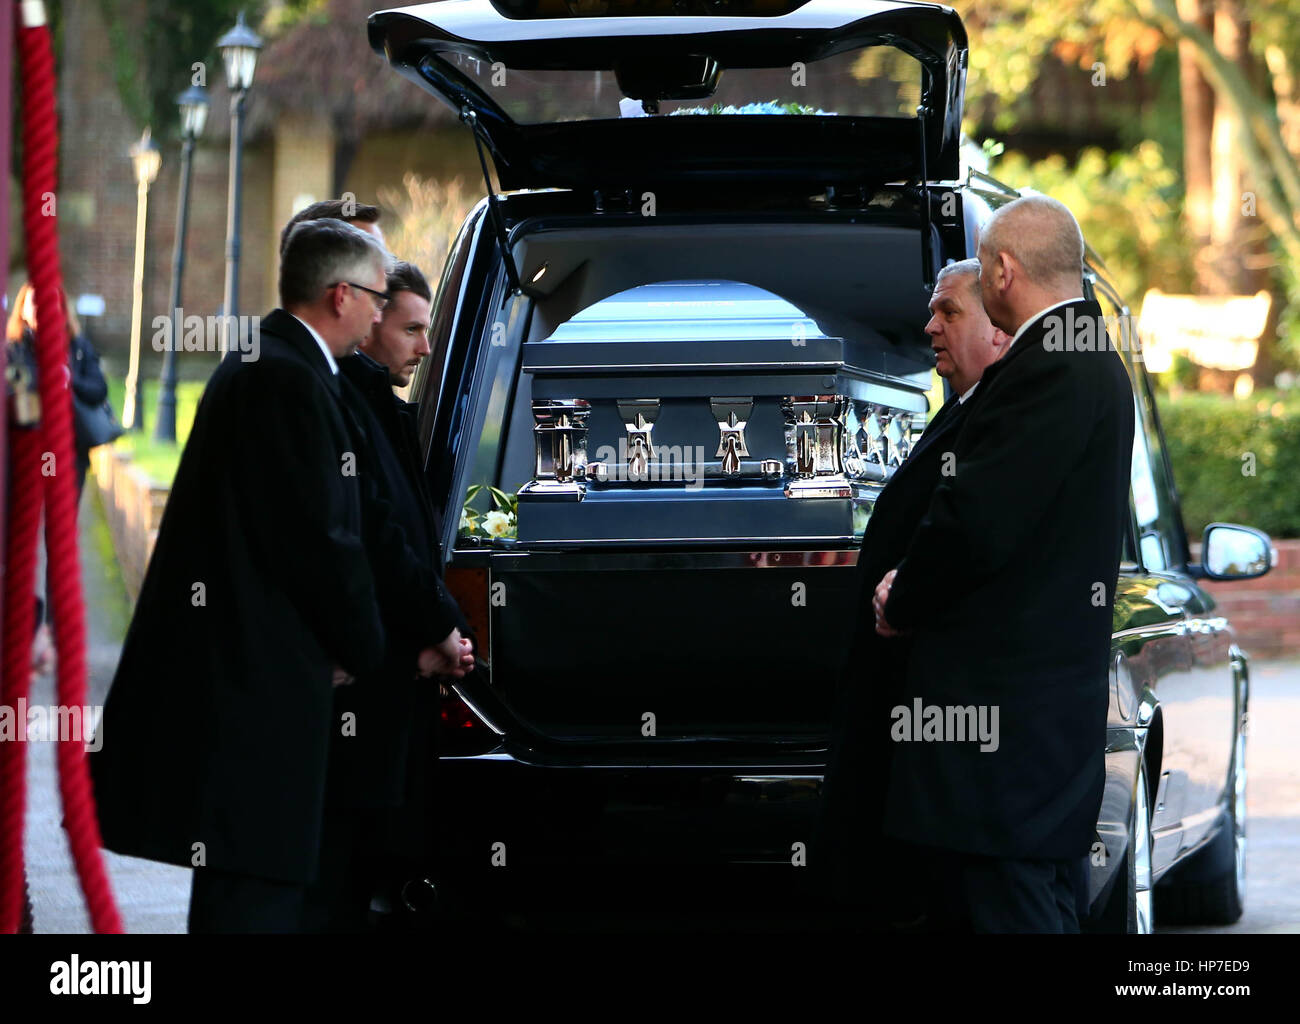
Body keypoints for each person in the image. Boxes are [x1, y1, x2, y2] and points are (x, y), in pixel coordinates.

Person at [89, 219, 455, 932]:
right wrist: (367, 649)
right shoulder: (286, 380)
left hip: (250, 690)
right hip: (254, 701)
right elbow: (322, 542)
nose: (384, 314)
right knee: (253, 905)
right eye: (379, 299)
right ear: (341, 294)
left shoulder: (276, 365)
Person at [871, 195, 1135, 933]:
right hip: (1032, 736)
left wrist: (903, 595)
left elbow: (978, 519)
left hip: (1004, 745)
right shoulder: (1087, 358)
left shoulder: (1051, 366)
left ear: (1004, 271)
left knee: (1009, 910)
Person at [818, 259, 1010, 928]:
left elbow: (968, 541)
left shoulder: (993, 426)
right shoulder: (957, 414)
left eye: (949, 311)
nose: (929, 325)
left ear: (998, 330)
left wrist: (905, 594)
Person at [310, 258, 473, 931]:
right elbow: (375, 538)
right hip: (361, 696)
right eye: (411, 329)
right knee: (341, 879)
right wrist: (436, 632)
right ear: (371, 322)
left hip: (388, 682)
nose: (425, 346)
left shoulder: (382, 407)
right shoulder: (350, 406)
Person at [6, 281, 118, 501]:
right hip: (27, 450)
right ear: (24, 310)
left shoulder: (77, 347)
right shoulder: (14, 350)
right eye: (35, 303)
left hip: (70, 449)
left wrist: (69, 380)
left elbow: (99, 389)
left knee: (62, 513)